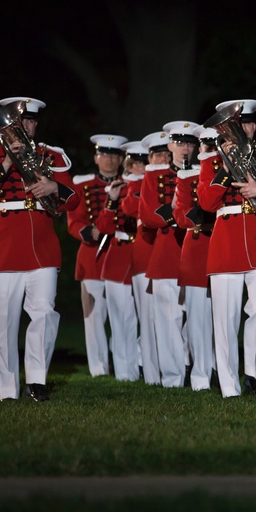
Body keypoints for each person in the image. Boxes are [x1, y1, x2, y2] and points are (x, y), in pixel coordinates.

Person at [0, 96, 78, 401]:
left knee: (44, 312)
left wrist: (55, 187)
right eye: (21, 122)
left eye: (31, 121)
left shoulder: (51, 155)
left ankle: (37, 379)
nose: (26, 127)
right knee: (4, 320)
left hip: (42, 244)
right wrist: (7, 162)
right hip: (4, 244)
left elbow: (74, 199)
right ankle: (6, 388)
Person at [199, 99, 256, 398]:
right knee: (225, 319)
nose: (247, 128)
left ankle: (252, 375)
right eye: (240, 124)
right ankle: (229, 385)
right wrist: (227, 168)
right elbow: (207, 203)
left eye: (250, 123)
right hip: (226, 240)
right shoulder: (211, 160)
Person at [139, 121, 199, 388]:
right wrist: (174, 212)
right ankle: (174, 377)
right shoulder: (155, 175)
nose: (185, 148)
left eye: (190, 143)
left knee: (198, 317)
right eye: (180, 143)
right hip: (166, 251)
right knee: (168, 317)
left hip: (197, 248)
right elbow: (147, 217)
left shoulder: (203, 172)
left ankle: (199, 371)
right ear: (170, 145)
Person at [67, 133, 128, 378]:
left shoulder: (130, 183)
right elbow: (74, 220)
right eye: (105, 154)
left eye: (115, 155)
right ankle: (99, 368)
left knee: (124, 313)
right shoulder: (83, 184)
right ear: (96, 157)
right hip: (92, 254)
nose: (110, 160)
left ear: (122, 158)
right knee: (93, 314)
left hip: (122, 252)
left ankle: (124, 362)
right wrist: (87, 231)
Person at [95, 141, 141, 382]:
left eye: (143, 163)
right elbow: (103, 227)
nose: (139, 168)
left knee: (149, 318)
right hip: (119, 254)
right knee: (121, 319)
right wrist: (112, 200)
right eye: (135, 164)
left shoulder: (152, 185)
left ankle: (143, 366)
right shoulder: (120, 187)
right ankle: (125, 373)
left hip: (144, 254)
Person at [173, 124, 215, 391]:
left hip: (223, 244)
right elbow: (180, 214)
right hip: (199, 245)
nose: (210, 151)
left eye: (214, 146)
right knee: (198, 317)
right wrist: (205, 215)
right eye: (206, 146)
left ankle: (220, 368)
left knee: (224, 316)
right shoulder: (188, 176)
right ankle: (200, 375)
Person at [123, 136, 160, 383]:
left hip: (169, 250)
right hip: (146, 250)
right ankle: (150, 372)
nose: (162, 161)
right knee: (147, 316)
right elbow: (128, 206)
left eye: (165, 155)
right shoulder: (138, 183)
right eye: (157, 157)